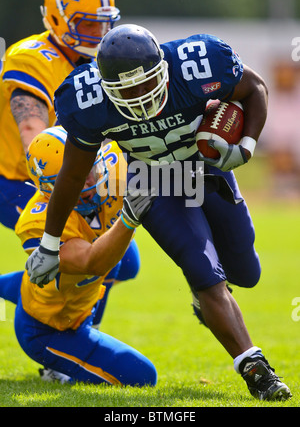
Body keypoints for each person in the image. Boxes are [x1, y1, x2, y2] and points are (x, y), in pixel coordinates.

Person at [25, 24, 291, 400]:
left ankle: (210, 299)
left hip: (207, 167)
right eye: (125, 90)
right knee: (203, 271)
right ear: (106, 87)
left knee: (246, 274)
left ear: (164, 69)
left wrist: (246, 146)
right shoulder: (88, 100)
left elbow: (255, 88)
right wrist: (49, 244)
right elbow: (72, 174)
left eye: (146, 83)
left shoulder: (199, 64)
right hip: (155, 182)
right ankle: (256, 370)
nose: (137, 96)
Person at [0, 125, 156, 386]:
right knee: (142, 377)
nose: (90, 182)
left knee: (129, 262)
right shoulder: (36, 223)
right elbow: (93, 263)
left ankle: (14, 287)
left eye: (89, 168)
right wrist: (128, 219)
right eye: (74, 176)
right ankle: (55, 362)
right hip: (49, 327)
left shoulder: (112, 160)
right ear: (50, 189)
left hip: (70, 294)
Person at [0, 0, 120, 229]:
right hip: (18, 178)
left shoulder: (94, 62)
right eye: (89, 24)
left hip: (74, 173)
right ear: (57, 19)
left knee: (123, 263)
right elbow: (34, 136)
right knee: (77, 259)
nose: (100, 33)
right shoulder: (31, 58)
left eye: (104, 23)